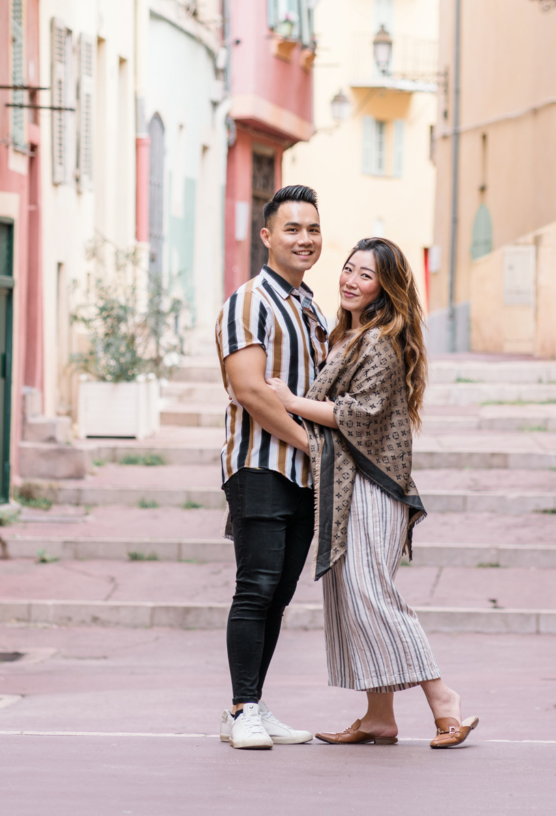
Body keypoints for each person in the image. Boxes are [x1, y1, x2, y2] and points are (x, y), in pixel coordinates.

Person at [267, 237, 478, 750]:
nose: (350, 280)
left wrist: (291, 401)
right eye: (347, 269)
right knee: (351, 596)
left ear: (385, 286)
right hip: (348, 481)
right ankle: (379, 716)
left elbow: (358, 415)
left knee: (370, 593)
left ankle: (442, 698)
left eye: (365, 275)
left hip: (372, 484)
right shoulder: (350, 334)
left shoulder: (380, 340)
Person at [215, 184, 328, 751]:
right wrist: (313, 445)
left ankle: (253, 702)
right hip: (261, 469)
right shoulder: (249, 300)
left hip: (305, 476)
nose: (304, 239)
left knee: (279, 594)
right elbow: (251, 392)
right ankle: (241, 710)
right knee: (255, 589)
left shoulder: (309, 303)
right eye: (292, 229)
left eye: (312, 229)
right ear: (267, 236)